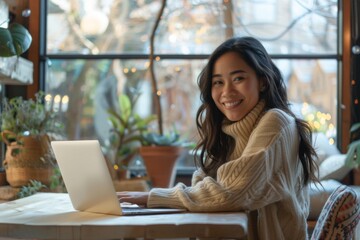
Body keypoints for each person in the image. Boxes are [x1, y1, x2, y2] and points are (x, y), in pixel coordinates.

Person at [117, 36, 318, 239]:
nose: (227, 91)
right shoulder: (228, 130)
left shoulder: (276, 121)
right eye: (218, 82)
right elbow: (203, 184)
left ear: (263, 81)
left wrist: (152, 196)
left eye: (238, 79)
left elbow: (232, 192)